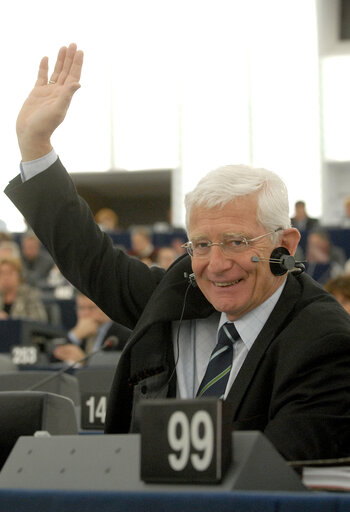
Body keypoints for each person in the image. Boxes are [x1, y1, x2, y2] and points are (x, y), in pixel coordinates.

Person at [5, 43, 350, 461]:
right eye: (201, 245)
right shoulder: (179, 293)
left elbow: (282, 475)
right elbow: (90, 257)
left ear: (286, 244)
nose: (216, 264)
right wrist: (35, 144)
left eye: (237, 242)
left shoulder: (325, 340)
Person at [52, 292, 131, 364]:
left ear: (105, 307)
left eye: (91, 308)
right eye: (81, 308)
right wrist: (75, 336)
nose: (85, 314)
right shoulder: (81, 332)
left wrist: (85, 362)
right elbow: (53, 360)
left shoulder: (124, 335)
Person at [0, 256, 48, 322]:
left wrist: (8, 320)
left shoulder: (30, 294)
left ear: (19, 275)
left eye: (9, 273)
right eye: (2, 273)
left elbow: (40, 321)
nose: (5, 277)